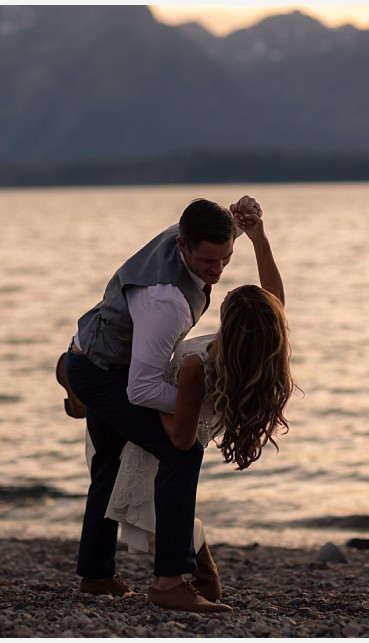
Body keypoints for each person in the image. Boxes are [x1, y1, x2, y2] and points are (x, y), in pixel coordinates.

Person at [61, 196, 263, 613]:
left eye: (225, 259)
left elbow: (219, 234)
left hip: (92, 354)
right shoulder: (165, 303)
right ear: (183, 247)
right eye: (208, 261)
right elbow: (142, 391)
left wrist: (242, 224)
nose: (217, 270)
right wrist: (200, 406)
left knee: (110, 465)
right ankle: (169, 582)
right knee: (181, 453)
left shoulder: (190, 234)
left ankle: (96, 576)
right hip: (104, 373)